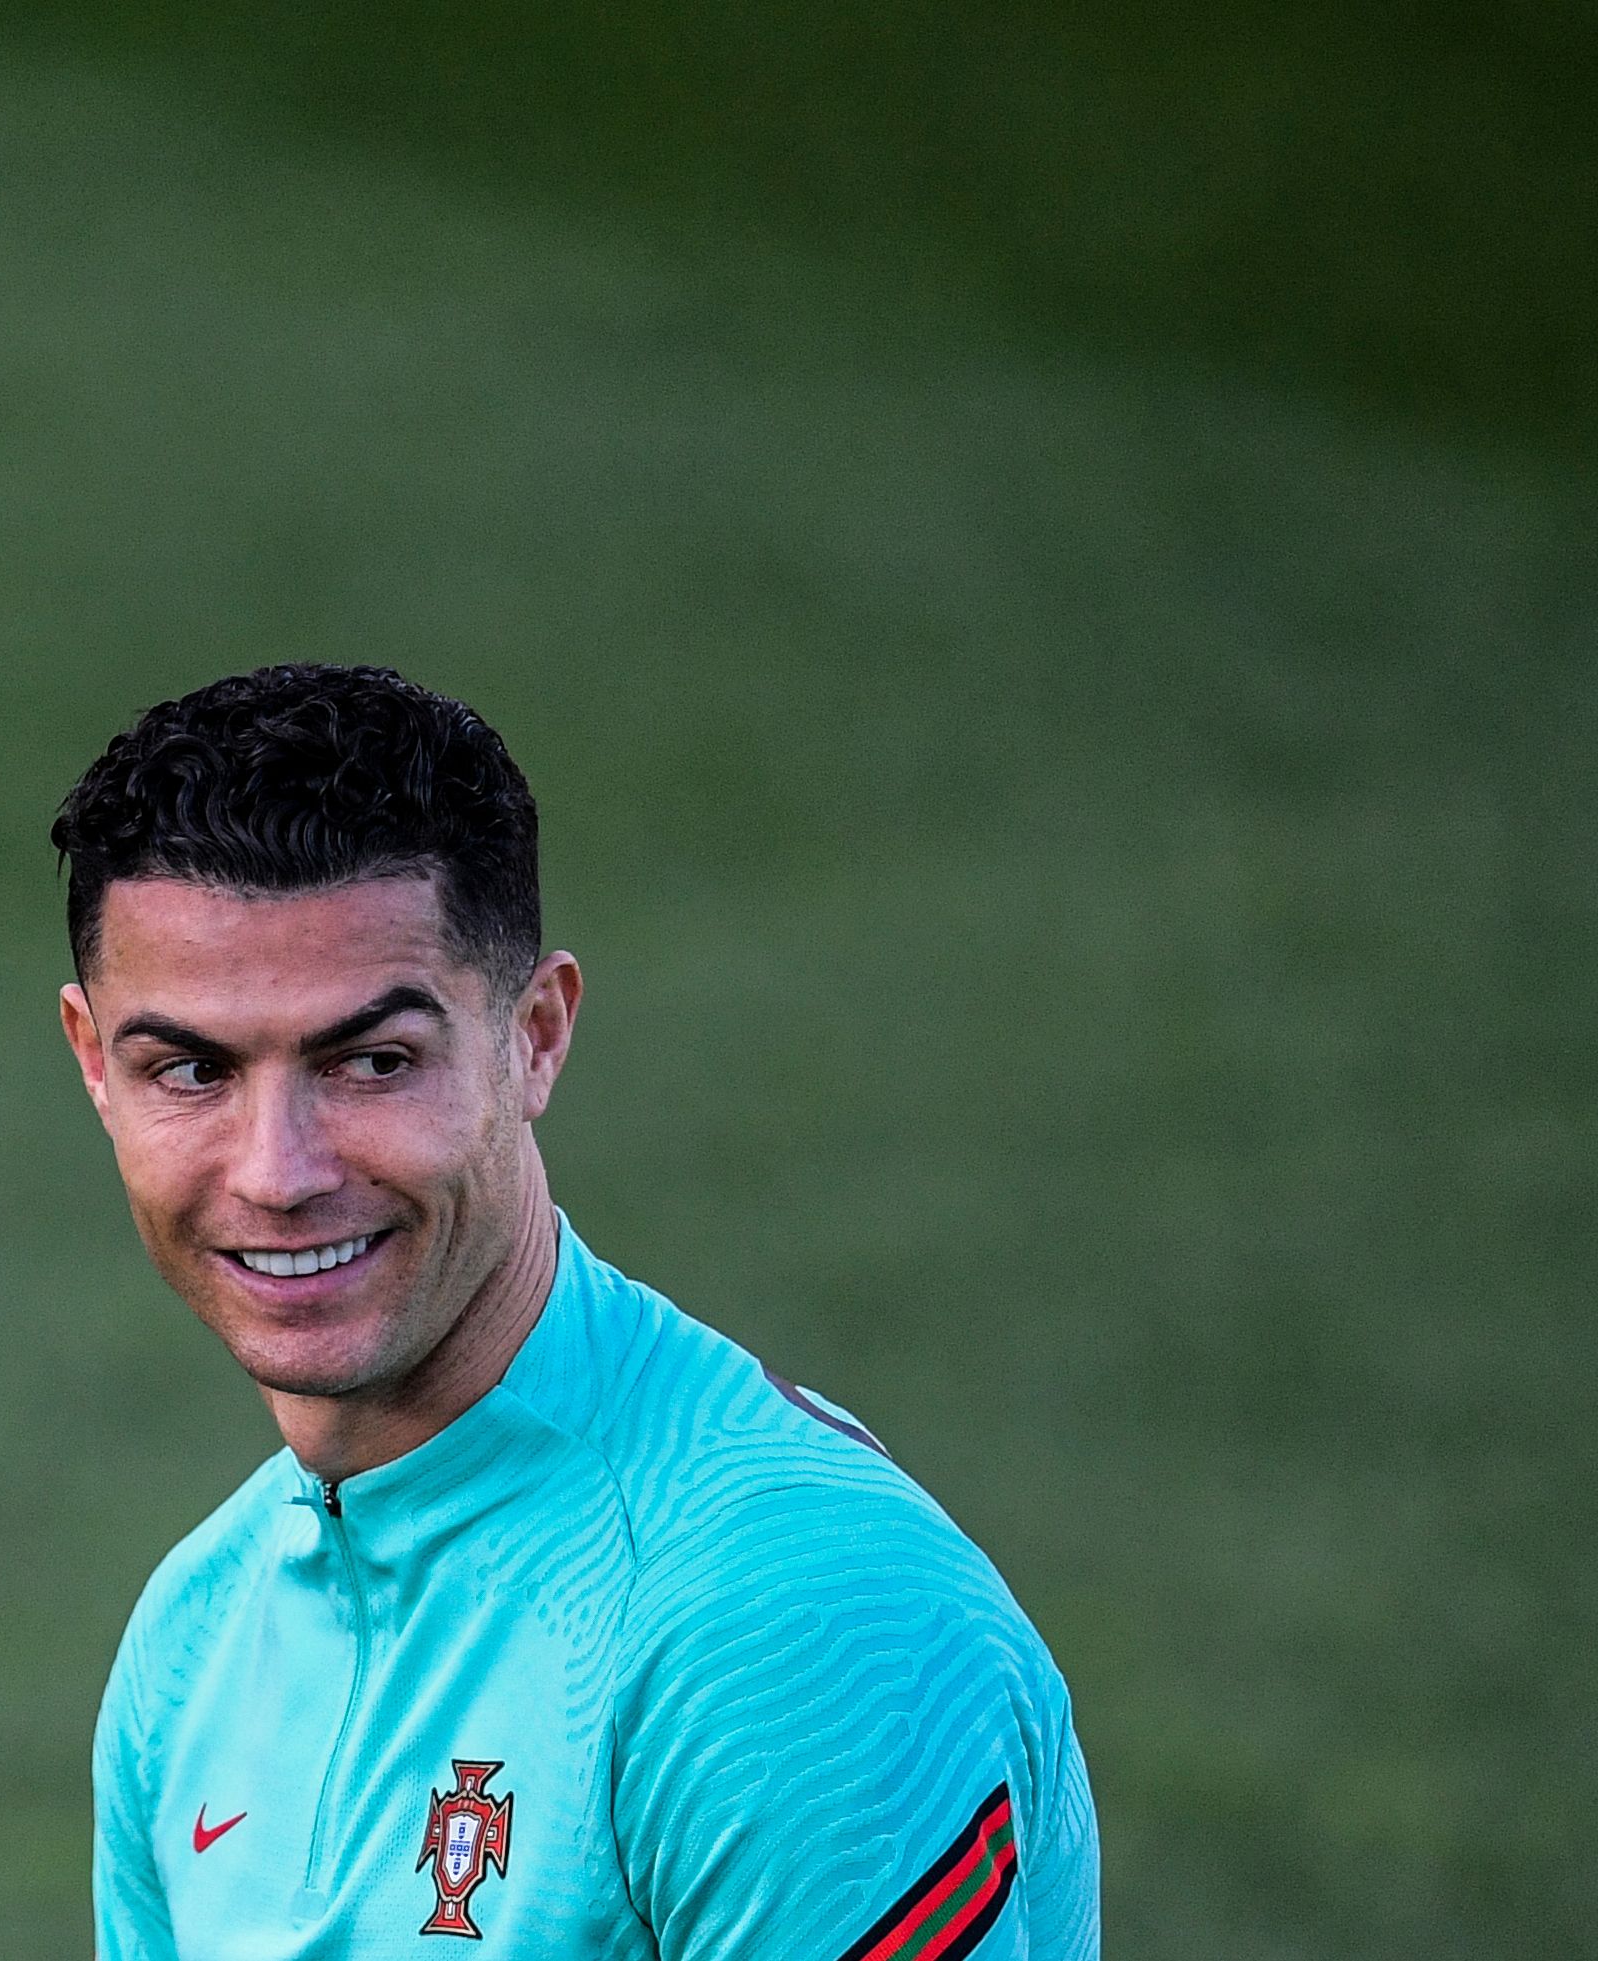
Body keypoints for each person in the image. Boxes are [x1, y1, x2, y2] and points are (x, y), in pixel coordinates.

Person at [53, 665, 1099, 1960]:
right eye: (192, 1068)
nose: (278, 1169)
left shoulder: (785, 1616)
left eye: (372, 1060)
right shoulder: (195, 1629)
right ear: (93, 1063)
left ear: (535, 1035)